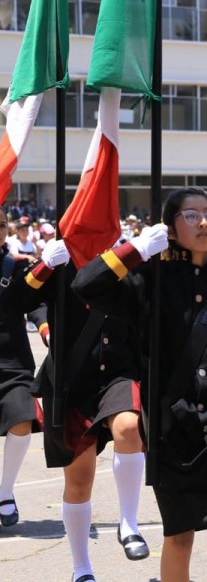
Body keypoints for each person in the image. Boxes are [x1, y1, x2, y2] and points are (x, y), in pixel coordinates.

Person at [72, 187, 207, 582]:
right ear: (170, 226)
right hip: (174, 427)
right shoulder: (148, 281)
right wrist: (134, 249)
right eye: (191, 215)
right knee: (180, 537)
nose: (204, 223)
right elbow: (86, 285)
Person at [1, 241, 150, 582]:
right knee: (79, 480)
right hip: (71, 380)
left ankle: (129, 524)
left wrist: (147, 252)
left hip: (118, 371)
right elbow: (15, 305)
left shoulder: (128, 260)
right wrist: (44, 268)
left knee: (129, 428)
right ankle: (81, 568)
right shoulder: (59, 263)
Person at [0, 210, 42, 529]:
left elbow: (36, 302)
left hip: (13, 361)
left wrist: (46, 327)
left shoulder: (16, 266)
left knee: (22, 420)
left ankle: (5, 492)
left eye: (1, 225)